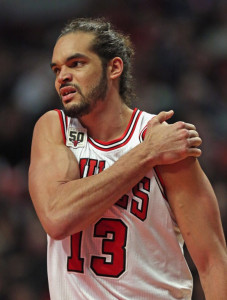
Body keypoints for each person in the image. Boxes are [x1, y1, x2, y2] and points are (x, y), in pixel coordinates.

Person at [28, 18, 227, 300]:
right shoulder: (54, 129)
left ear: (114, 67)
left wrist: (153, 150)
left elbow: (212, 261)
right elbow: (58, 218)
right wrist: (147, 154)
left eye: (76, 64)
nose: (62, 76)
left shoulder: (163, 140)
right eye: (57, 69)